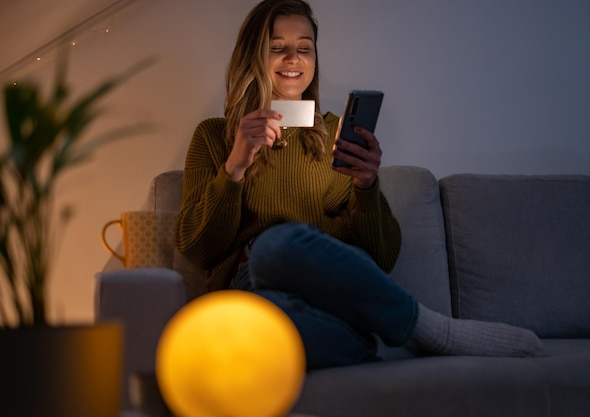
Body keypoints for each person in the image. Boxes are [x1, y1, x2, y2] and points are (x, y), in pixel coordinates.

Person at [176, 0, 544, 369]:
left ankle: (429, 328)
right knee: (264, 287)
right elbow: (196, 248)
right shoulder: (215, 137)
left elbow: (381, 257)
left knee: (282, 241)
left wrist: (366, 186)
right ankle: (366, 343)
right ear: (253, 56)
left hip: (326, 288)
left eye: (304, 48)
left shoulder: (335, 136)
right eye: (277, 47)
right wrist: (235, 167)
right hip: (254, 295)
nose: (293, 58)